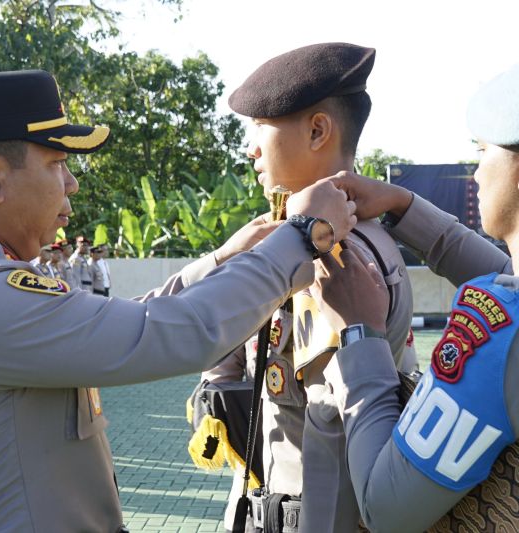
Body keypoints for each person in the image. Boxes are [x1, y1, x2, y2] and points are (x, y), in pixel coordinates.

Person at [0, 69, 356, 531]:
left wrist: (221, 259)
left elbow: (125, 317)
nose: (71, 184)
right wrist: (300, 236)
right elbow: (169, 332)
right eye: (56, 164)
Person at [312, 43, 519, 532]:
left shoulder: (506, 331)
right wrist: (404, 206)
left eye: (483, 151)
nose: (477, 171)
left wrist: (360, 333)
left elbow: (384, 509)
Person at [199, 42, 415, 532]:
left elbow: (328, 431)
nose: (250, 148)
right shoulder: (292, 238)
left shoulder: (332, 256)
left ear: (318, 130)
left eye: (261, 129)